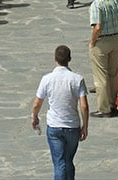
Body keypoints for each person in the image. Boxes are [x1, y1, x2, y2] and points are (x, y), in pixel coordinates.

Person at [31, 45, 89, 180]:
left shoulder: (47, 79)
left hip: (54, 126)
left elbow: (37, 104)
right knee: (68, 161)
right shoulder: (77, 79)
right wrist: (85, 126)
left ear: (55, 59)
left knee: (59, 163)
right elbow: (84, 106)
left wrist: (34, 117)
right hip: (72, 126)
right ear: (69, 59)